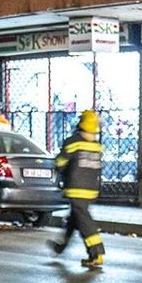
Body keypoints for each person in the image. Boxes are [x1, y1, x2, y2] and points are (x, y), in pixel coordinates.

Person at [47, 110, 107, 270]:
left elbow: (60, 163)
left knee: (84, 221)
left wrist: (61, 169)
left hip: (76, 188)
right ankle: (61, 246)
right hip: (91, 189)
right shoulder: (96, 146)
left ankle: (97, 252)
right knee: (75, 219)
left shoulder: (73, 142)